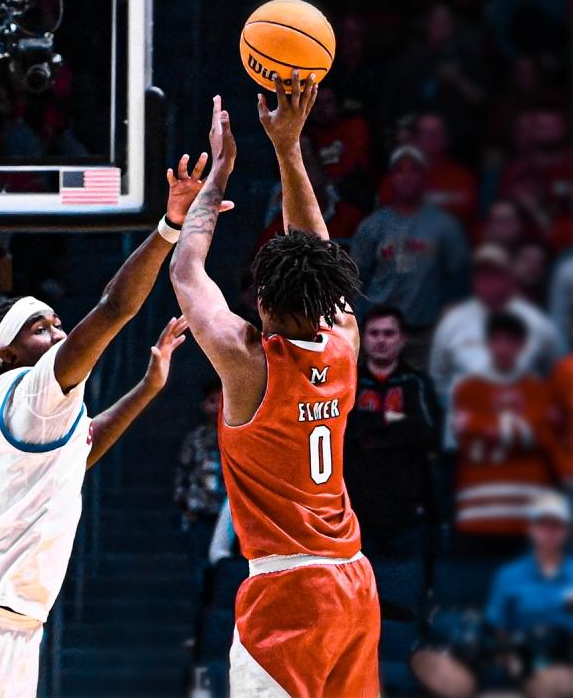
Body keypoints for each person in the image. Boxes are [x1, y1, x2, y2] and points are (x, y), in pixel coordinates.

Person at [0, 146, 213, 697]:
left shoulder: (24, 407)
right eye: (40, 329)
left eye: (56, 324)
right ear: (8, 352)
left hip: (6, 621)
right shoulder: (31, 389)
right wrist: (170, 227)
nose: (57, 335)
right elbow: (114, 307)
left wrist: (147, 388)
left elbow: (84, 446)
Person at [170, 75, 378, 696]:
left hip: (289, 590)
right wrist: (288, 146)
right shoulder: (343, 341)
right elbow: (316, 249)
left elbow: (185, 270)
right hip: (353, 582)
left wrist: (217, 177)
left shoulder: (248, 364)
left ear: (260, 301)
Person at [412, 492, 573, 697]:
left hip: (562, 655)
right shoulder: (510, 575)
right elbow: (499, 626)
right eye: (542, 524)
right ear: (532, 528)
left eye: (556, 525)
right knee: (432, 662)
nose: (549, 532)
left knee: (556, 681)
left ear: (566, 530)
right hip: (520, 655)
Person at [448, 312, 568, 541]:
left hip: (528, 512)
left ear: (522, 346)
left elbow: (542, 436)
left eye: (510, 341)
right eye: (497, 340)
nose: (503, 348)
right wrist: (521, 430)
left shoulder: (538, 389)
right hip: (477, 510)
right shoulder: (468, 389)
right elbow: (467, 441)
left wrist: (481, 425)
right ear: (488, 344)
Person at [344, 306, 441, 559]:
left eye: (389, 333)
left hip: (408, 511)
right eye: (374, 333)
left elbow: (427, 432)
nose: (381, 340)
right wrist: (390, 419)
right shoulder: (347, 381)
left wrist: (367, 430)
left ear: (402, 338)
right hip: (357, 510)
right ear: (363, 338)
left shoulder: (416, 382)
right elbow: (343, 432)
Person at [350, 144, 471, 347]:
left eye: (413, 170)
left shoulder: (445, 225)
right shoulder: (372, 226)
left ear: (424, 177)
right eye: (399, 171)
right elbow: (356, 278)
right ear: (391, 178)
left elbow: (459, 277)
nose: (406, 177)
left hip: (426, 332)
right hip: (380, 331)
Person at [429, 244, 565, 417]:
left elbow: (558, 371)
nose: (488, 281)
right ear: (473, 280)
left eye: (495, 274)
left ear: (509, 278)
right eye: (482, 275)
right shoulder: (452, 321)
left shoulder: (537, 323)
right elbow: (438, 376)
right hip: (464, 426)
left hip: (521, 426)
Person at [173, 379, 225, 576]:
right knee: (199, 569)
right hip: (201, 515)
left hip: (230, 517)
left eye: (222, 401)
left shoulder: (240, 438)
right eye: (213, 401)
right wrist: (187, 507)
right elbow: (183, 476)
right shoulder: (195, 439)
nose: (218, 407)